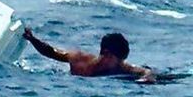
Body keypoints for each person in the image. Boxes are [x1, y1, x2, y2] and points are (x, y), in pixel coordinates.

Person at [21, 27, 157, 82]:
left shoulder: (122, 68)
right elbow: (51, 52)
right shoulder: (79, 60)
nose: (120, 63)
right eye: (118, 59)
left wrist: (146, 79)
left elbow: (147, 72)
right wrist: (32, 39)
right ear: (105, 53)